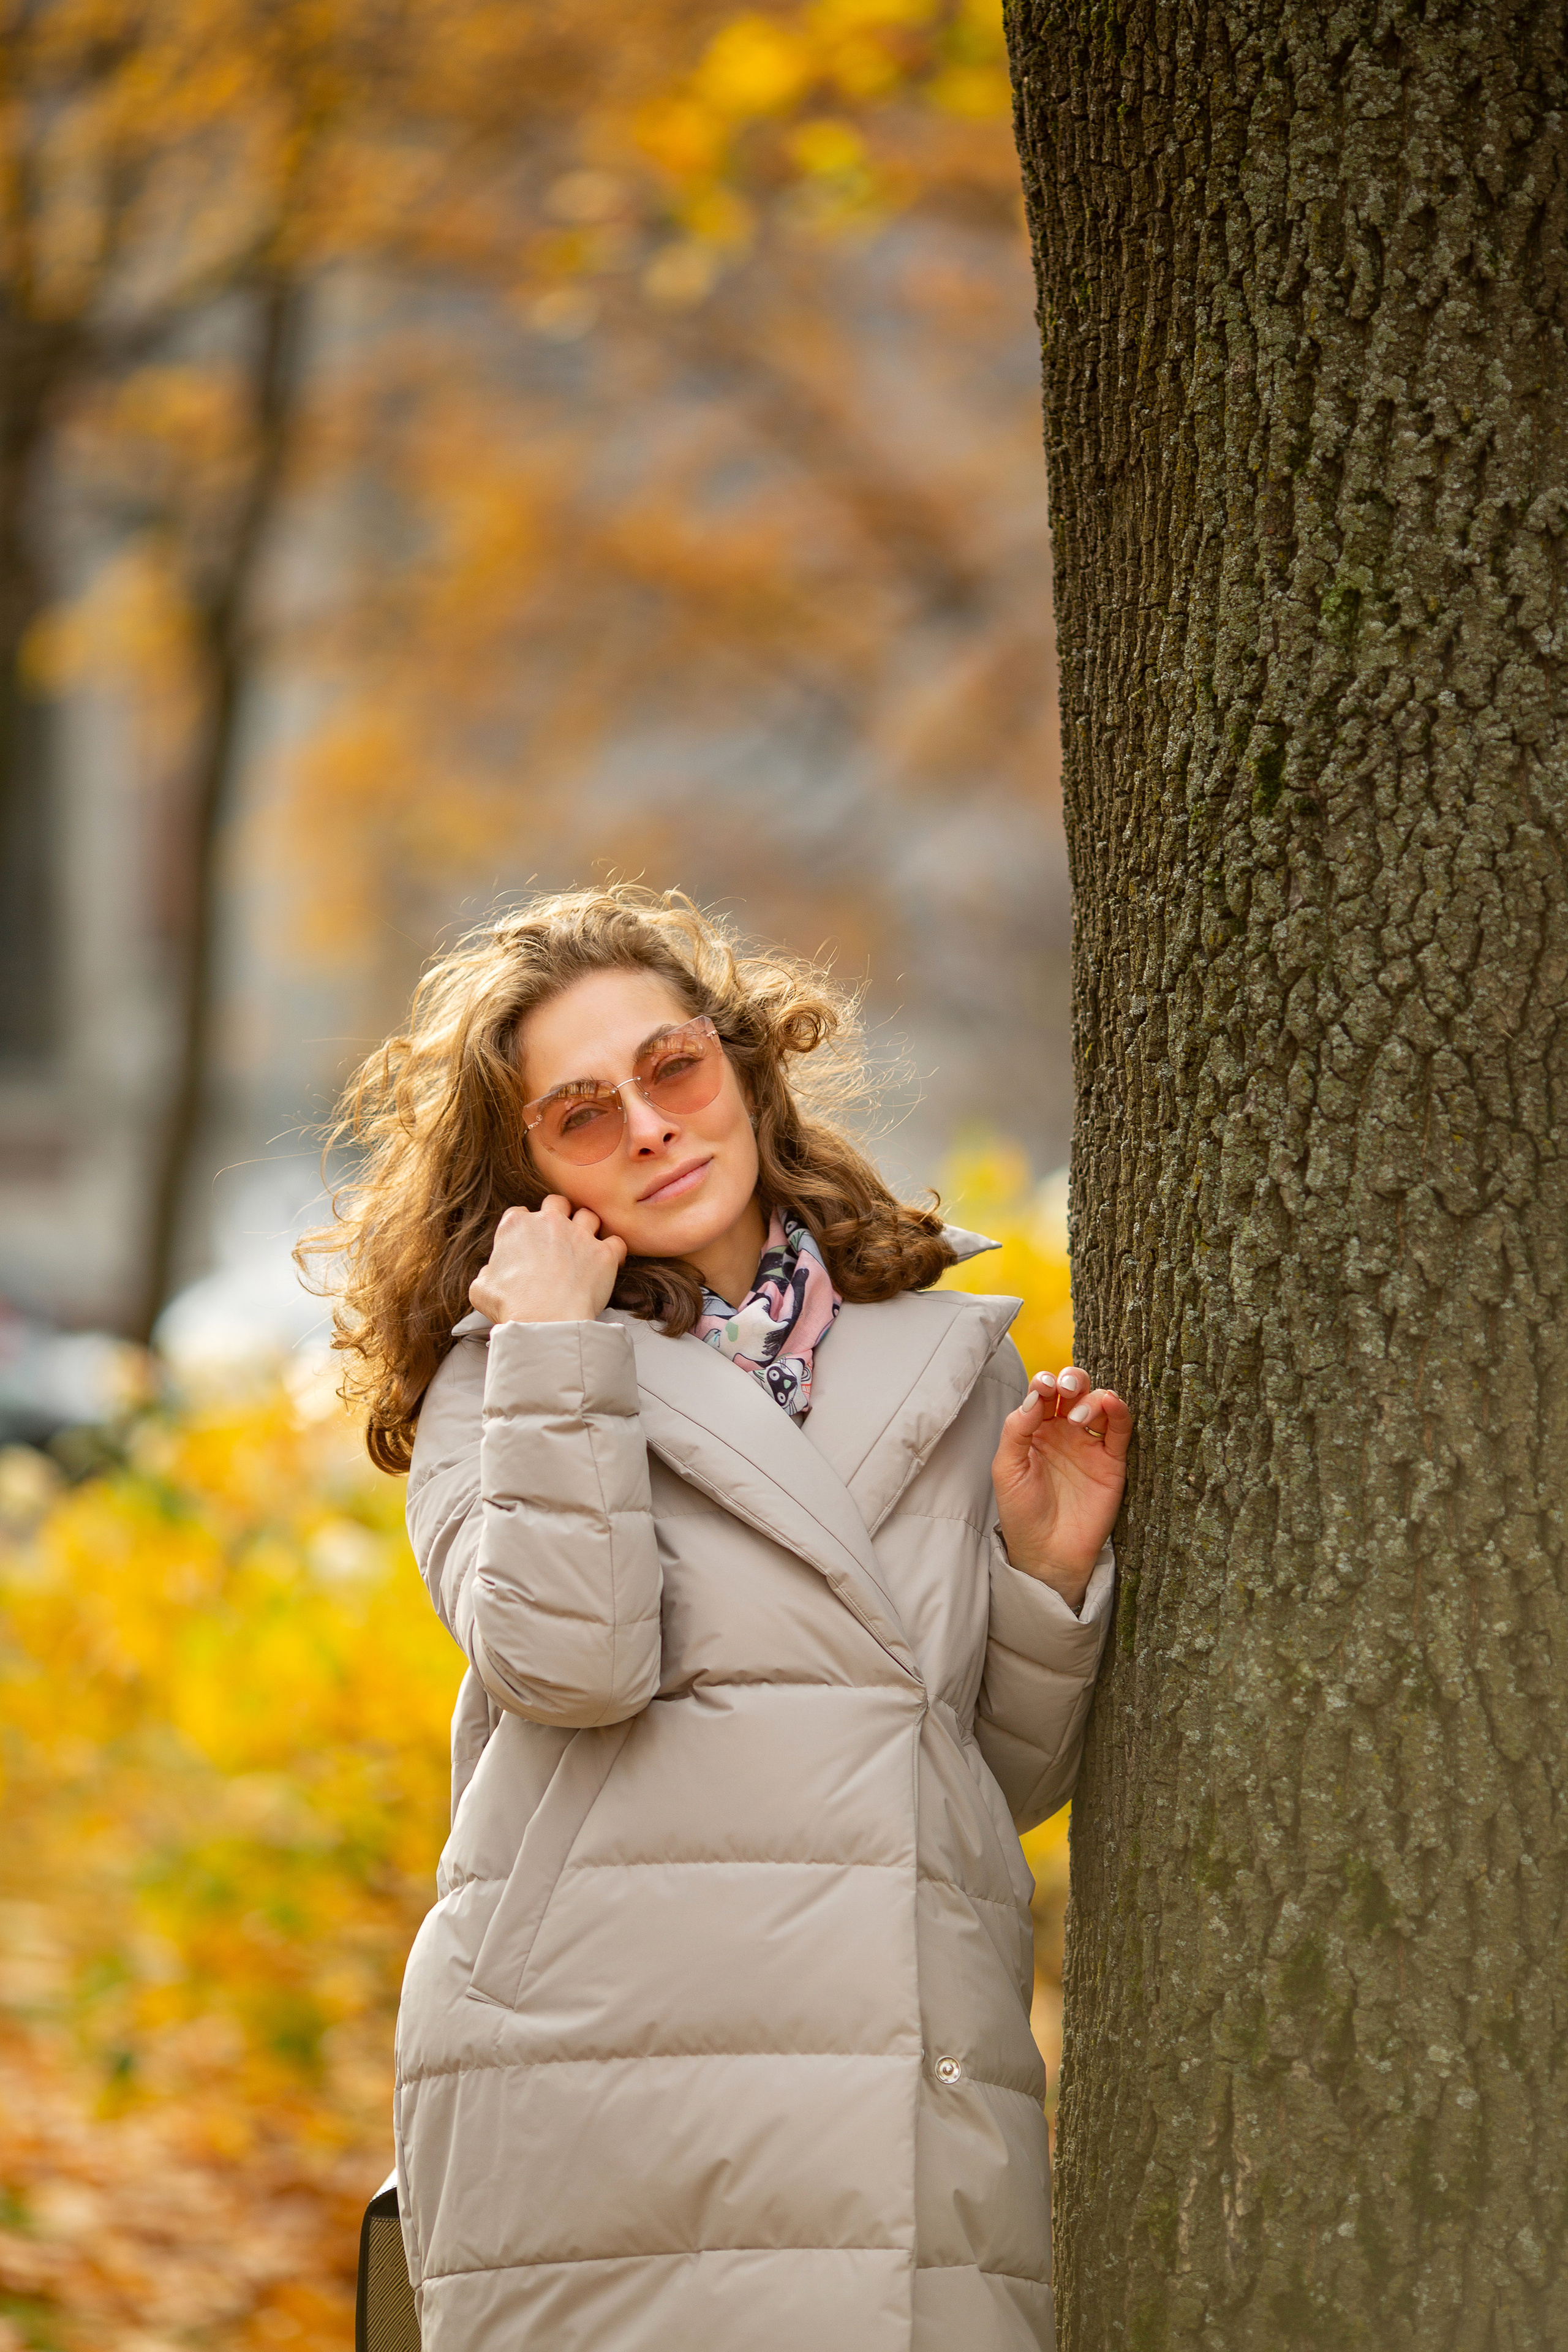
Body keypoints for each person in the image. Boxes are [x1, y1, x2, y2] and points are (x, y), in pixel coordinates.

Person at [314, 885, 1131, 2352]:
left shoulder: (945, 1358)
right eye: (579, 1111)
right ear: (527, 1175)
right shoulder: (492, 1388)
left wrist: (1042, 1572)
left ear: (742, 1067)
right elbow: (573, 1665)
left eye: (672, 1066)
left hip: (896, 2082)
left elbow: (977, 1791)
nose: (650, 1124)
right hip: (600, 2088)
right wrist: (560, 1352)